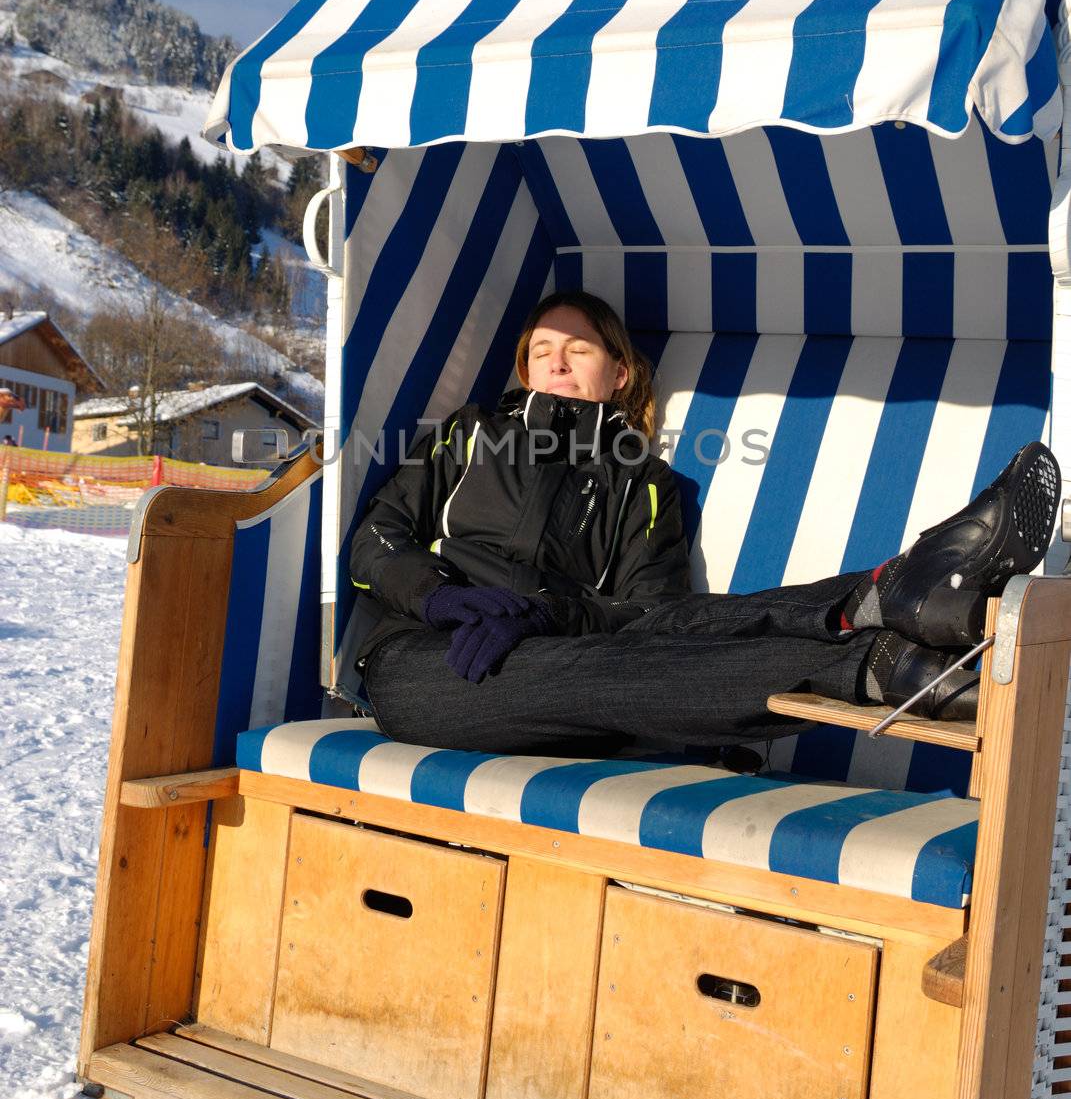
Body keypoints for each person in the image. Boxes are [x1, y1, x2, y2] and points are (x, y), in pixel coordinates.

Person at [350, 291, 1060, 757]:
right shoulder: (468, 433)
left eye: (579, 349)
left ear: (619, 374)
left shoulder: (644, 484)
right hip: (426, 662)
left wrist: (542, 614)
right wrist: (445, 600)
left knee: (671, 630)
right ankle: (878, 663)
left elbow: (651, 613)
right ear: (523, 369)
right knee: (608, 669)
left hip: (569, 661)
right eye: (542, 350)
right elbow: (376, 538)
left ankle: (890, 595)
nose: (557, 361)